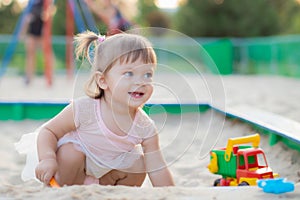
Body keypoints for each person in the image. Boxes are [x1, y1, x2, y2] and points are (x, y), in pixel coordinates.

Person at [16, 30, 175, 187]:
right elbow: (49, 131)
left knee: (139, 163)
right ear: (103, 81)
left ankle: (111, 193)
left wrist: (171, 194)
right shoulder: (84, 109)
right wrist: (47, 159)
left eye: (147, 74)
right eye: (129, 73)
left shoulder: (145, 127)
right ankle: (64, 190)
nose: (141, 81)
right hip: (74, 171)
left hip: (106, 175)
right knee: (70, 154)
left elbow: (157, 168)